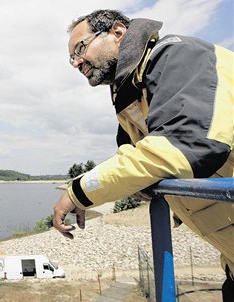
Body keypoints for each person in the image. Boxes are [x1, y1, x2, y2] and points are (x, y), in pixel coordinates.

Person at [53, 9, 233, 300]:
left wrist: (78, 192)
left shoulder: (180, 58)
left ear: (118, 32)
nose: (76, 63)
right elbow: (134, 160)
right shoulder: (132, 94)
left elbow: (184, 146)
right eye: (71, 57)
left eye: (80, 49)